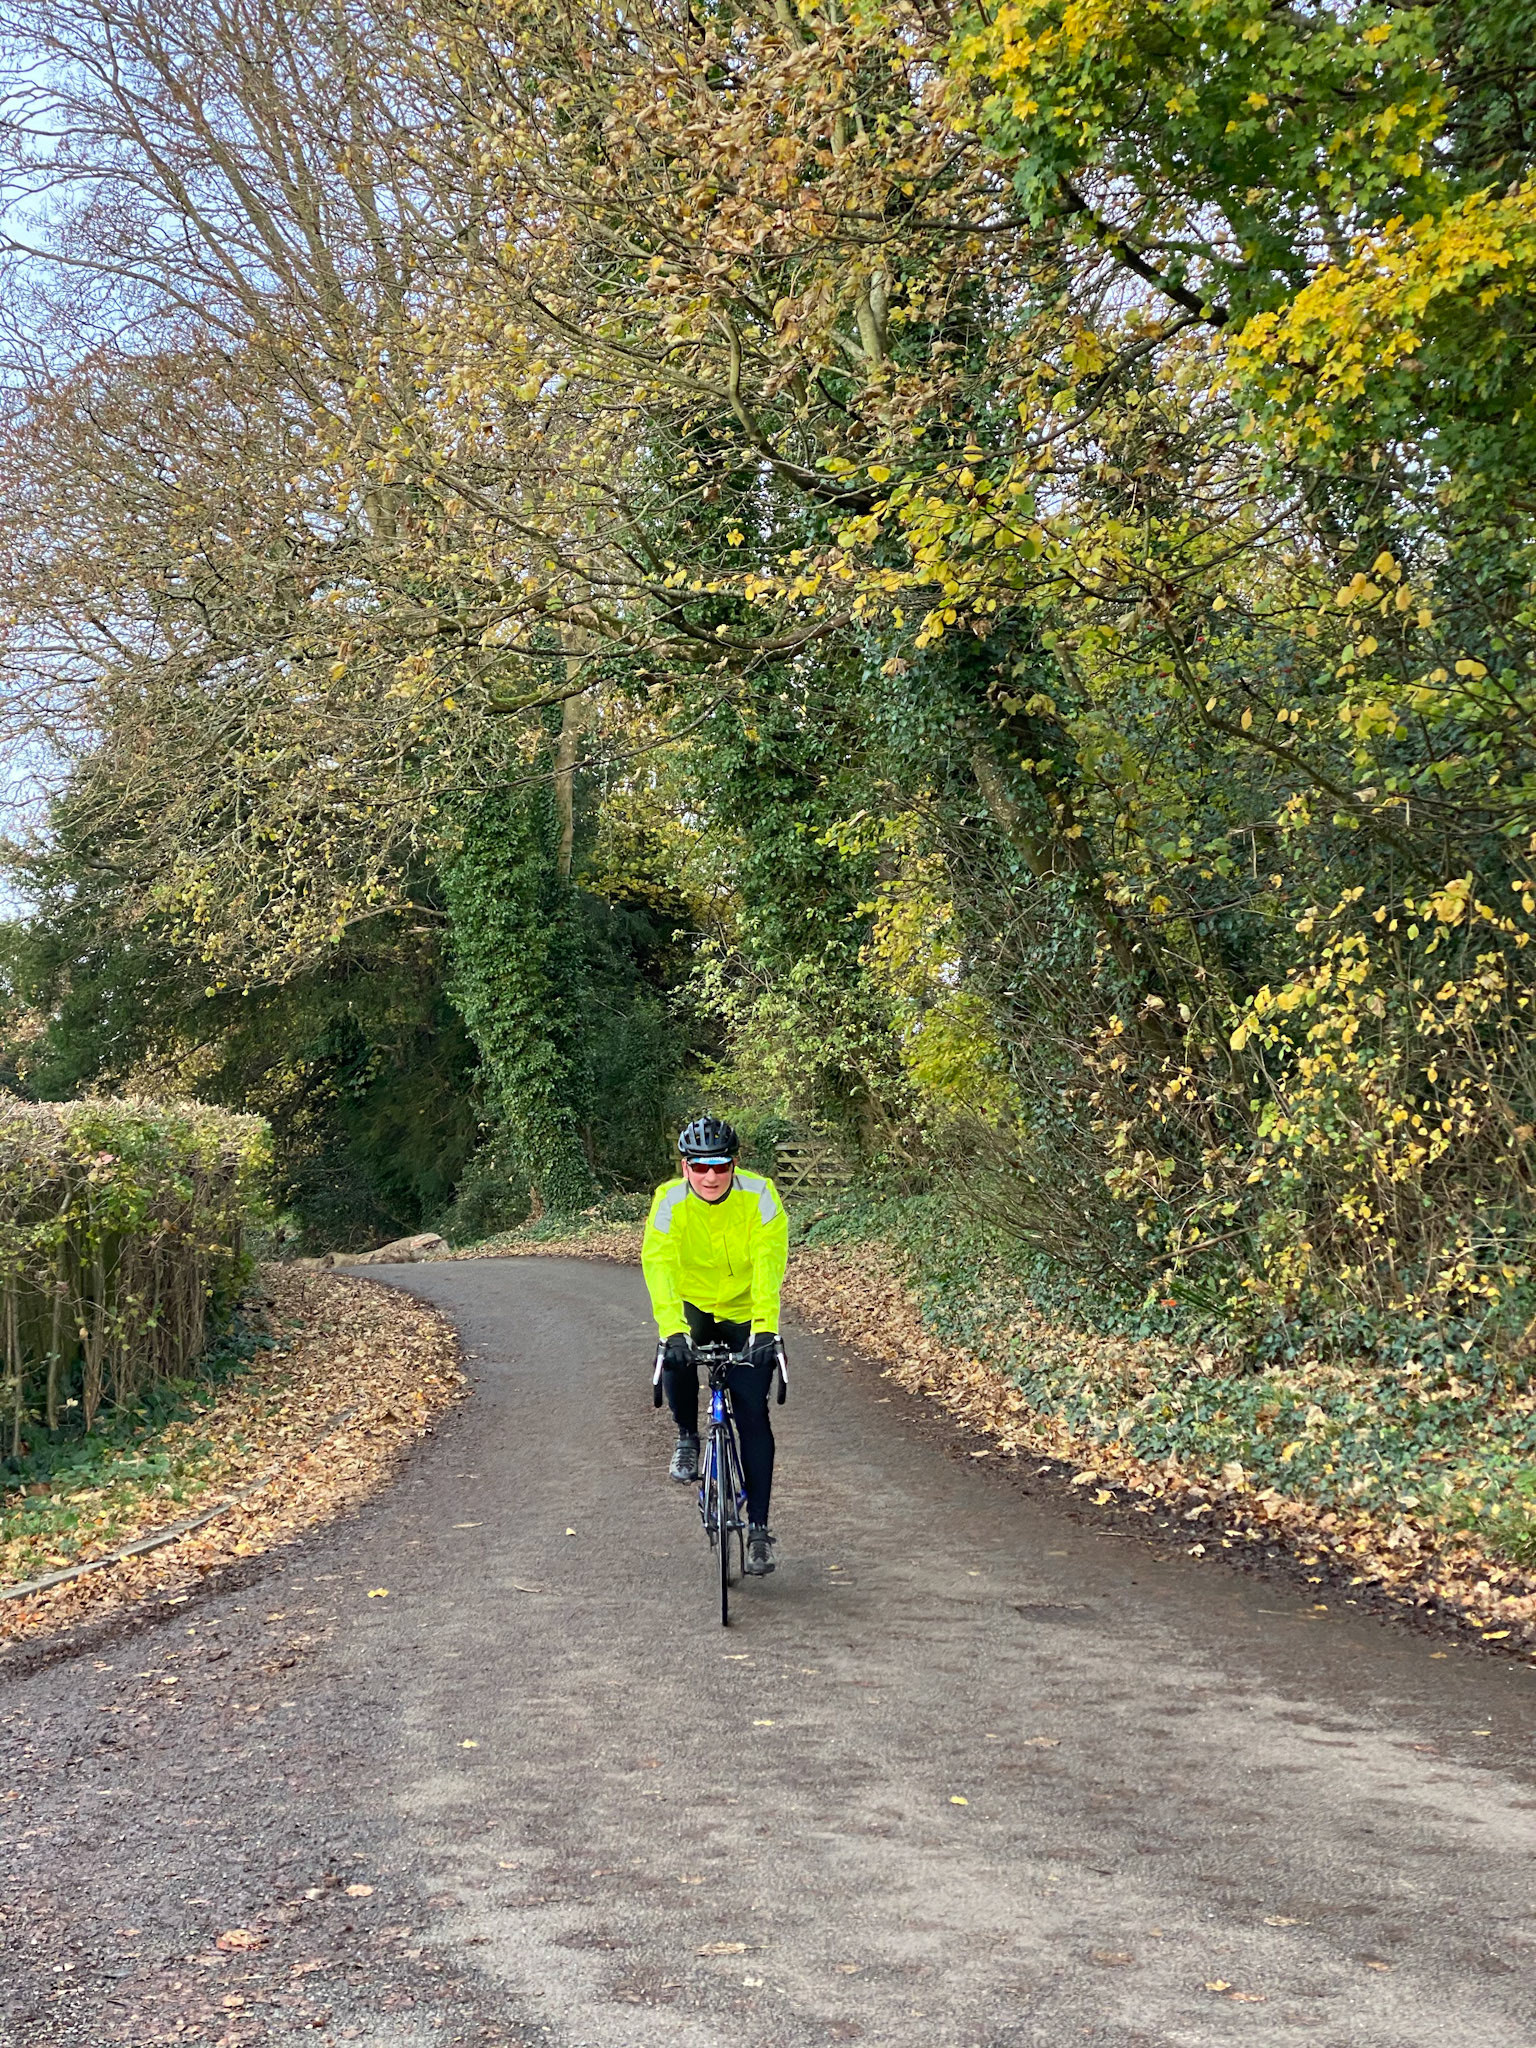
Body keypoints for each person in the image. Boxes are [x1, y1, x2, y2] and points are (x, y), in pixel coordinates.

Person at [641, 1116, 789, 1575]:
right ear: (685, 1167)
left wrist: (766, 1327)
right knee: (676, 1360)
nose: (710, 1176)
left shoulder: (760, 1195)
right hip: (694, 1307)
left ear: (734, 1165)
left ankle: (759, 1529)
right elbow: (659, 1262)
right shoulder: (668, 1201)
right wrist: (671, 1328)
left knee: (753, 1415)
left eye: (720, 1167)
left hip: (746, 1311)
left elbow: (769, 1262)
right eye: (699, 1167)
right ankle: (688, 1435)